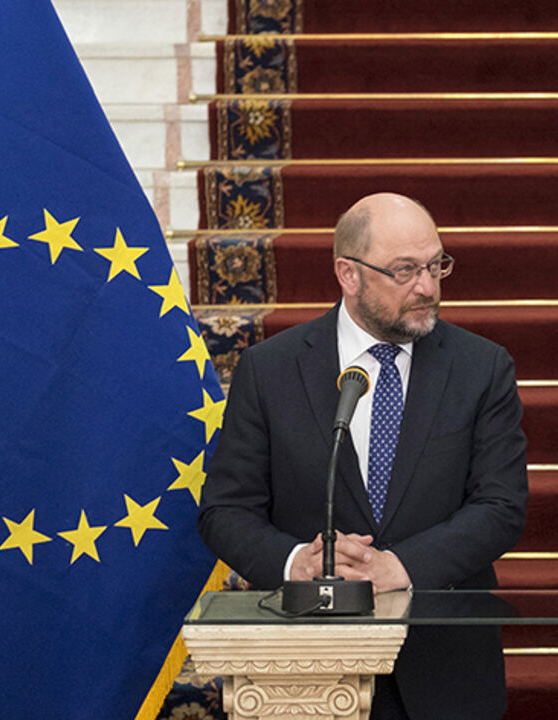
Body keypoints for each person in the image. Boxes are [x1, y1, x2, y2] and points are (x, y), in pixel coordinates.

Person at [198, 192, 528, 720]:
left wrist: (399, 566)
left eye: (435, 265)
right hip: (308, 668)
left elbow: (501, 505)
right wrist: (295, 562)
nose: (427, 287)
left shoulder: (482, 368)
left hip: (445, 666)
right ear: (348, 274)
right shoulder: (271, 370)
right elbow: (225, 509)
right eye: (404, 271)